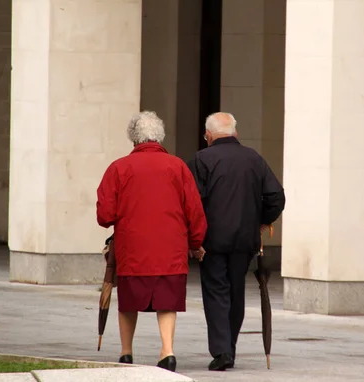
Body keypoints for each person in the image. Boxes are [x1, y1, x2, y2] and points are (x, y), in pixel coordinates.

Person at [96, 111, 207, 372]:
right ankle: (167, 351)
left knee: (129, 299)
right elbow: (194, 210)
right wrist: (195, 241)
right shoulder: (177, 166)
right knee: (167, 301)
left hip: (132, 248)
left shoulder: (118, 168)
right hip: (171, 249)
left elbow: (105, 215)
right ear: (160, 136)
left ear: (134, 139)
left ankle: (126, 352)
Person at [190, 112, 286, 371]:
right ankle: (228, 347)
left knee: (216, 292)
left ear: (208, 135)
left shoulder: (202, 159)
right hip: (245, 239)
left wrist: (193, 237)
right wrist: (261, 220)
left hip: (212, 240)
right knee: (236, 292)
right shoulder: (253, 157)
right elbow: (276, 197)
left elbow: (193, 203)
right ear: (235, 133)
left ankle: (223, 350)